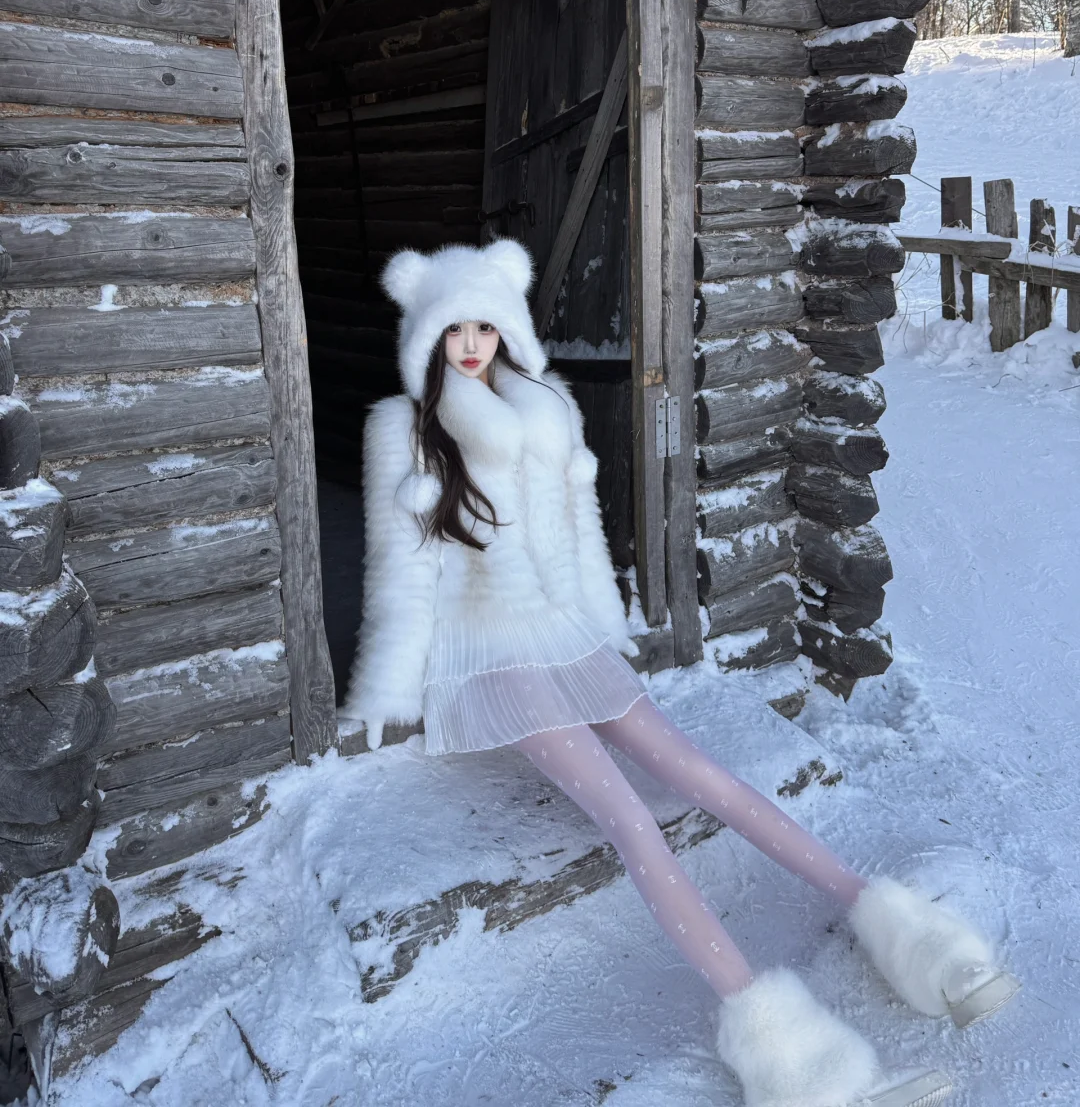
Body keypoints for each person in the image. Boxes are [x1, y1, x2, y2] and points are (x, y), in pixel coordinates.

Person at [344, 239, 1019, 1107]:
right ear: (427, 339)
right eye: (453, 329)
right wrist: (390, 690)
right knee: (631, 819)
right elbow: (401, 573)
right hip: (485, 653)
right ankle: (790, 1056)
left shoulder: (543, 412)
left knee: (700, 771)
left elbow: (578, 540)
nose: (470, 343)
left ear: (504, 331)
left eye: (485, 325)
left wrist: (601, 628)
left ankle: (903, 931)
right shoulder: (399, 430)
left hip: (560, 633)